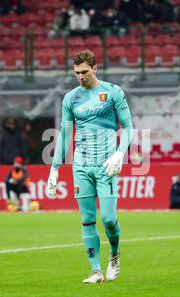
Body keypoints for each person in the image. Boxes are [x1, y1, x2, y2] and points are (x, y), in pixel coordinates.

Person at [46, 49, 133, 284]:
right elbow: (64, 134)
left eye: (84, 71)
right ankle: (96, 271)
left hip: (107, 166)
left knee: (107, 219)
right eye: (76, 73)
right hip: (81, 167)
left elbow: (128, 127)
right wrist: (54, 169)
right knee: (86, 219)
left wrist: (119, 154)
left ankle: (114, 255)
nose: (80, 76)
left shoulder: (113, 92)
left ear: (95, 68)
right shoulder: (70, 98)